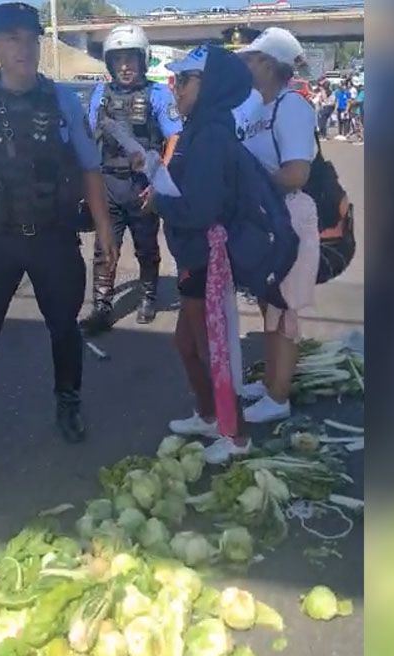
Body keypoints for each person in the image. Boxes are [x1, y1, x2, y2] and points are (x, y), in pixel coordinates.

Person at [0, 2, 117, 463]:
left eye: (30, 38)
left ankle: (68, 406)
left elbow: (91, 169)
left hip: (54, 238)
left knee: (64, 330)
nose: (23, 47)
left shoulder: (63, 101)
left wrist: (106, 229)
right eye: (11, 38)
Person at [154, 44, 256, 464]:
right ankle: (211, 414)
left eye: (185, 80)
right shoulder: (200, 127)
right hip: (191, 256)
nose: (175, 88)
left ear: (208, 85)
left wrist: (160, 200)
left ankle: (236, 435)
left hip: (205, 257)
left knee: (212, 348)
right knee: (187, 344)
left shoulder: (211, 133)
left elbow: (200, 208)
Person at [236, 26, 322, 424]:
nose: (245, 64)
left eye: (250, 59)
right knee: (268, 304)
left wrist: (249, 179)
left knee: (284, 311)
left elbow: (297, 173)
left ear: (269, 66)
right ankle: (271, 380)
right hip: (265, 218)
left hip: (287, 216)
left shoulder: (291, 106)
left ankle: (279, 396)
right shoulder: (259, 108)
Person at [80, 24, 182, 334]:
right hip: (108, 182)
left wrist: (158, 179)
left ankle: (148, 297)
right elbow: (88, 136)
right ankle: (101, 307)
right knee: (104, 248)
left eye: (131, 59)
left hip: (142, 186)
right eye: (118, 60)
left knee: (146, 246)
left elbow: (175, 136)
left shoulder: (159, 94)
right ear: (110, 64)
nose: (125, 66)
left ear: (143, 60)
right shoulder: (100, 93)